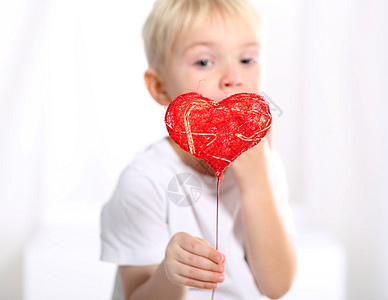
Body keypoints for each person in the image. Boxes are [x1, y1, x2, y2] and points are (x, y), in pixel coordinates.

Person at [100, 0, 297, 299]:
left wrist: (256, 184)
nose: (234, 77)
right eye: (204, 61)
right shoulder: (144, 182)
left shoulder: (265, 164)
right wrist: (170, 274)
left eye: (247, 59)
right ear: (160, 87)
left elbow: (277, 286)